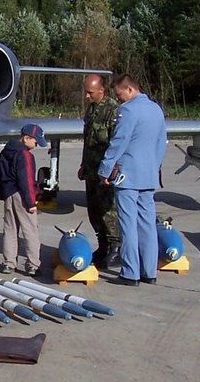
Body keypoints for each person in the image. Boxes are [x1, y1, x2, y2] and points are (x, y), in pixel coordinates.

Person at [97, 74, 167, 286]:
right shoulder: (156, 109)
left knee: (127, 224)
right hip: (148, 175)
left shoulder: (128, 111)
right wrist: (154, 167)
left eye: (119, 95)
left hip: (128, 176)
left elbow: (119, 142)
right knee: (147, 224)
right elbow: (161, 142)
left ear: (129, 90)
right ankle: (149, 271)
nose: (118, 100)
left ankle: (130, 273)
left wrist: (105, 169)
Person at [77, 73, 120, 269]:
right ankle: (103, 246)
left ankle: (115, 248)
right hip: (91, 169)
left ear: (101, 90)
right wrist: (83, 165)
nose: (86, 97)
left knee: (107, 210)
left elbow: (117, 144)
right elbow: (89, 141)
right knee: (94, 209)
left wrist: (112, 170)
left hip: (106, 172)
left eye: (90, 93)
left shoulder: (113, 111)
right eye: (86, 92)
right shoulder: (92, 110)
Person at [0, 123, 46, 276]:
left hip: (8, 194)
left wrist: (1, 194)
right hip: (22, 195)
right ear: (26, 138)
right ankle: (33, 265)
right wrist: (31, 203)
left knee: (10, 229)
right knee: (30, 229)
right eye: (36, 141)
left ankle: (9, 263)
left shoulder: (6, 151)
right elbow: (27, 181)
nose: (36, 145)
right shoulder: (25, 155)